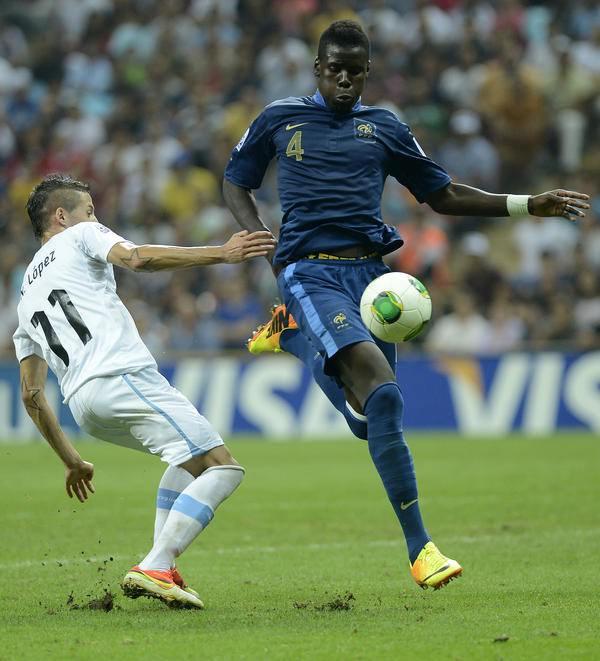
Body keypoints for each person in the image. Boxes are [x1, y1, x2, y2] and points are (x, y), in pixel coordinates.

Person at [222, 20, 590, 590]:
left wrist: (525, 204)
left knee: (373, 418)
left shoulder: (385, 127)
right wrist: (262, 240)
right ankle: (422, 549)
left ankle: (292, 337)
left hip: (373, 279)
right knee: (386, 393)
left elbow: (443, 193)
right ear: (317, 69)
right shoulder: (279, 118)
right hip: (308, 272)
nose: (345, 80)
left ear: (368, 73)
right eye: (335, 69)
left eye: (356, 71)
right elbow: (235, 180)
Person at [13, 173, 275, 609]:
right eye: (89, 211)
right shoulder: (80, 235)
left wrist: (72, 460)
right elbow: (135, 258)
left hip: (84, 406)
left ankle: (162, 568)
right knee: (223, 467)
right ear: (61, 216)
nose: (95, 218)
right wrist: (222, 253)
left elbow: (31, 394)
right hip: (120, 375)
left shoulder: (25, 298)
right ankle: (156, 564)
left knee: (187, 461)